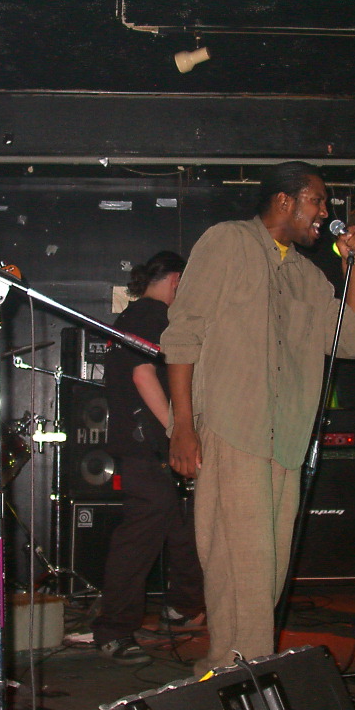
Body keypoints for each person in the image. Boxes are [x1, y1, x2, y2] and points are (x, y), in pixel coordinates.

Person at [161, 161, 355, 675]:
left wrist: (352, 268)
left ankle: (235, 664)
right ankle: (246, 668)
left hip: (286, 440)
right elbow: (183, 334)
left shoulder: (307, 275)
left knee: (268, 566)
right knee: (239, 560)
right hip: (233, 425)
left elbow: (351, 341)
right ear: (285, 200)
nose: (324, 212)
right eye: (317, 200)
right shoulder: (228, 242)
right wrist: (183, 426)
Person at [92, 251, 205, 665]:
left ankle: (183, 606)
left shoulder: (134, 316)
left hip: (145, 445)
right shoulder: (152, 316)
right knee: (139, 538)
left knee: (183, 524)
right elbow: (143, 374)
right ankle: (114, 631)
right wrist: (178, 430)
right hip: (147, 446)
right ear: (177, 280)